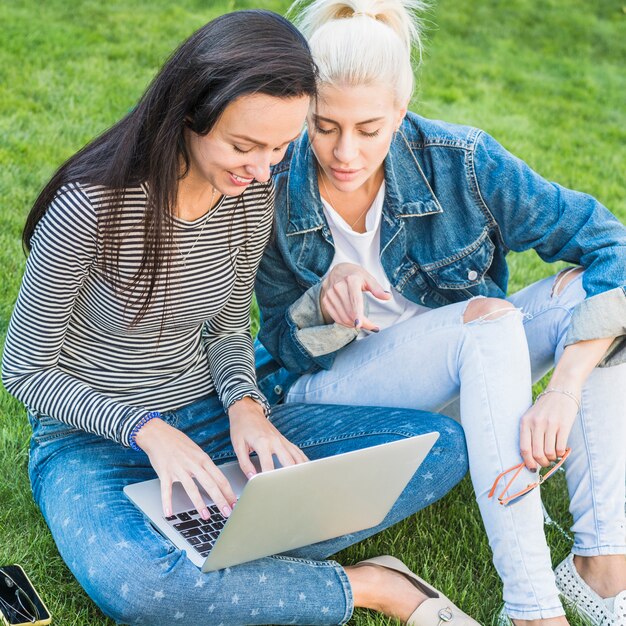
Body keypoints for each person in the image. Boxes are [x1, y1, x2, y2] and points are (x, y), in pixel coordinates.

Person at [1, 9, 473, 626]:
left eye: (280, 148)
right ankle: (370, 585)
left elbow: (225, 329)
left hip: (213, 419)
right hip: (94, 444)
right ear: (189, 115)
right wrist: (149, 431)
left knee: (437, 447)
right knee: (147, 590)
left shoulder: (251, 193)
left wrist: (246, 410)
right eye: (244, 147)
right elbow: (25, 372)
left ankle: (216, 555)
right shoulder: (92, 208)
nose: (263, 171)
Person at [254, 1, 626, 625]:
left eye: (369, 129)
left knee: (592, 304)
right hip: (337, 395)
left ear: (401, 112)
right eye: (324, 126)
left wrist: (562, 389)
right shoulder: (273, 179)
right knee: (489, 318)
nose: (344, 151)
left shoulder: (462, 160)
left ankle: (603, 569)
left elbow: (610, 247)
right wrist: (322, 303)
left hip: (472, 369)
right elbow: (275, 354)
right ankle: (534, 609)